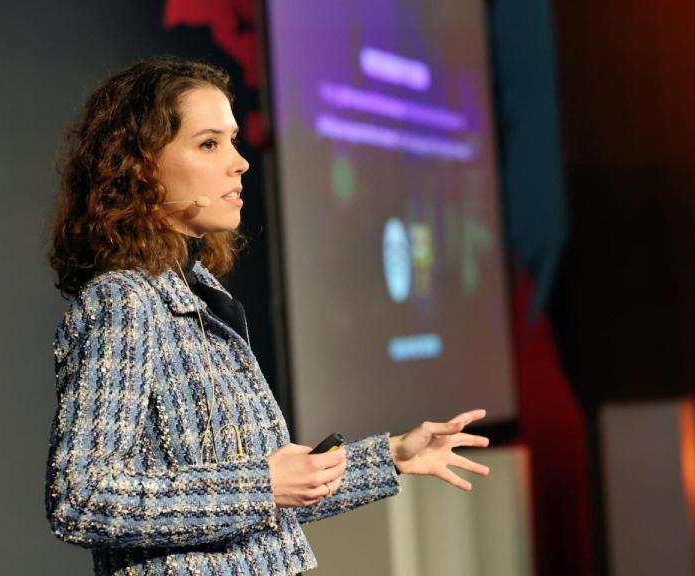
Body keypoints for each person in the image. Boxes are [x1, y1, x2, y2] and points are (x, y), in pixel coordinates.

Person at [45, 56, 490, 576]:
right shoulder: (123, 302)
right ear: (140, 166)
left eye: (232, 140)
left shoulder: (201, 290)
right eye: (209, 143)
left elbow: (266, 499)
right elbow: (81, 497)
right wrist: (263, 485)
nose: (239, 163)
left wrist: (392, 456)